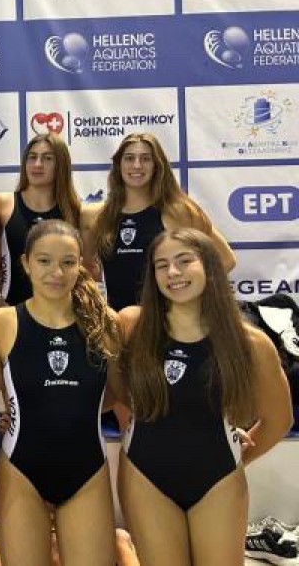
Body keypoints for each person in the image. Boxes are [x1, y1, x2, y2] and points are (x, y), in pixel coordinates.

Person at [117, 228, 293, 565]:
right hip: (145, 475)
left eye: (184, 261)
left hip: (218, 478)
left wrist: (237, 454)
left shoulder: (249, 343)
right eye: (162, 265)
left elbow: (279, 419)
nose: (173, 272)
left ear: (210, 267)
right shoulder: (131, 326)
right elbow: (113, 392)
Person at [0, 220, 120, 565]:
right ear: (25, 263)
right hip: (21, 470)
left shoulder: (104, 325)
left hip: (87, 470)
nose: (56, 272)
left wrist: (65, 406)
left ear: (81, 265)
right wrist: (18, 406)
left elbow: (115, 395)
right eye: (44, 261)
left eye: (68, 262)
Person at [81, 132, 235, 311]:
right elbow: (86, 269)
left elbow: (226, 260)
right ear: (118, 164)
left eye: (145, 159)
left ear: (157, 165)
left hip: (167, 321)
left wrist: (187, 298)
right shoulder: (94, 216)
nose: (137, 165)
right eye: (129, 158)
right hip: (120, 322)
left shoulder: (178, 212)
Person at [0, 133, 80, 307]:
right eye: (32, 157)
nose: (38, 164)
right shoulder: (2, 204)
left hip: (61, 312)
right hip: (13, 309)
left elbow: (84, 270)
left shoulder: (75, 211)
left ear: (61, 164)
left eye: (48, 158)